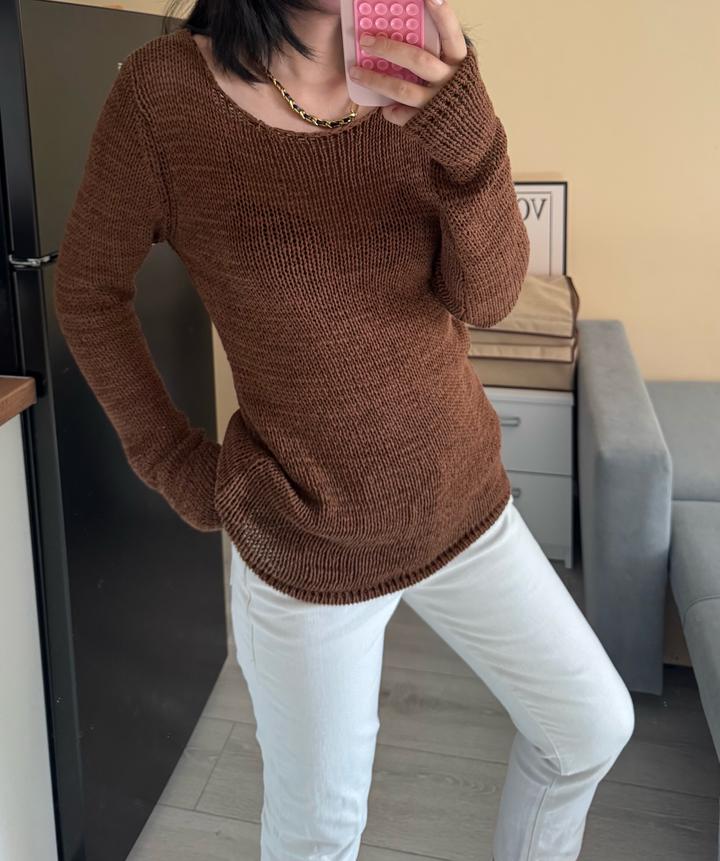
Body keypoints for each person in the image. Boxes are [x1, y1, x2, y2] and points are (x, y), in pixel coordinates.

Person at [54, 0, 636, 858]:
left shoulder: (425, 72)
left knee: (589, 726)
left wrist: (472, 146)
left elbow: (485, 298)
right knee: (318, 838)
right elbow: (87, 291)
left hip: (461, 503)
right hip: (309, 548)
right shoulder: (163, 96)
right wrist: (173, 460)